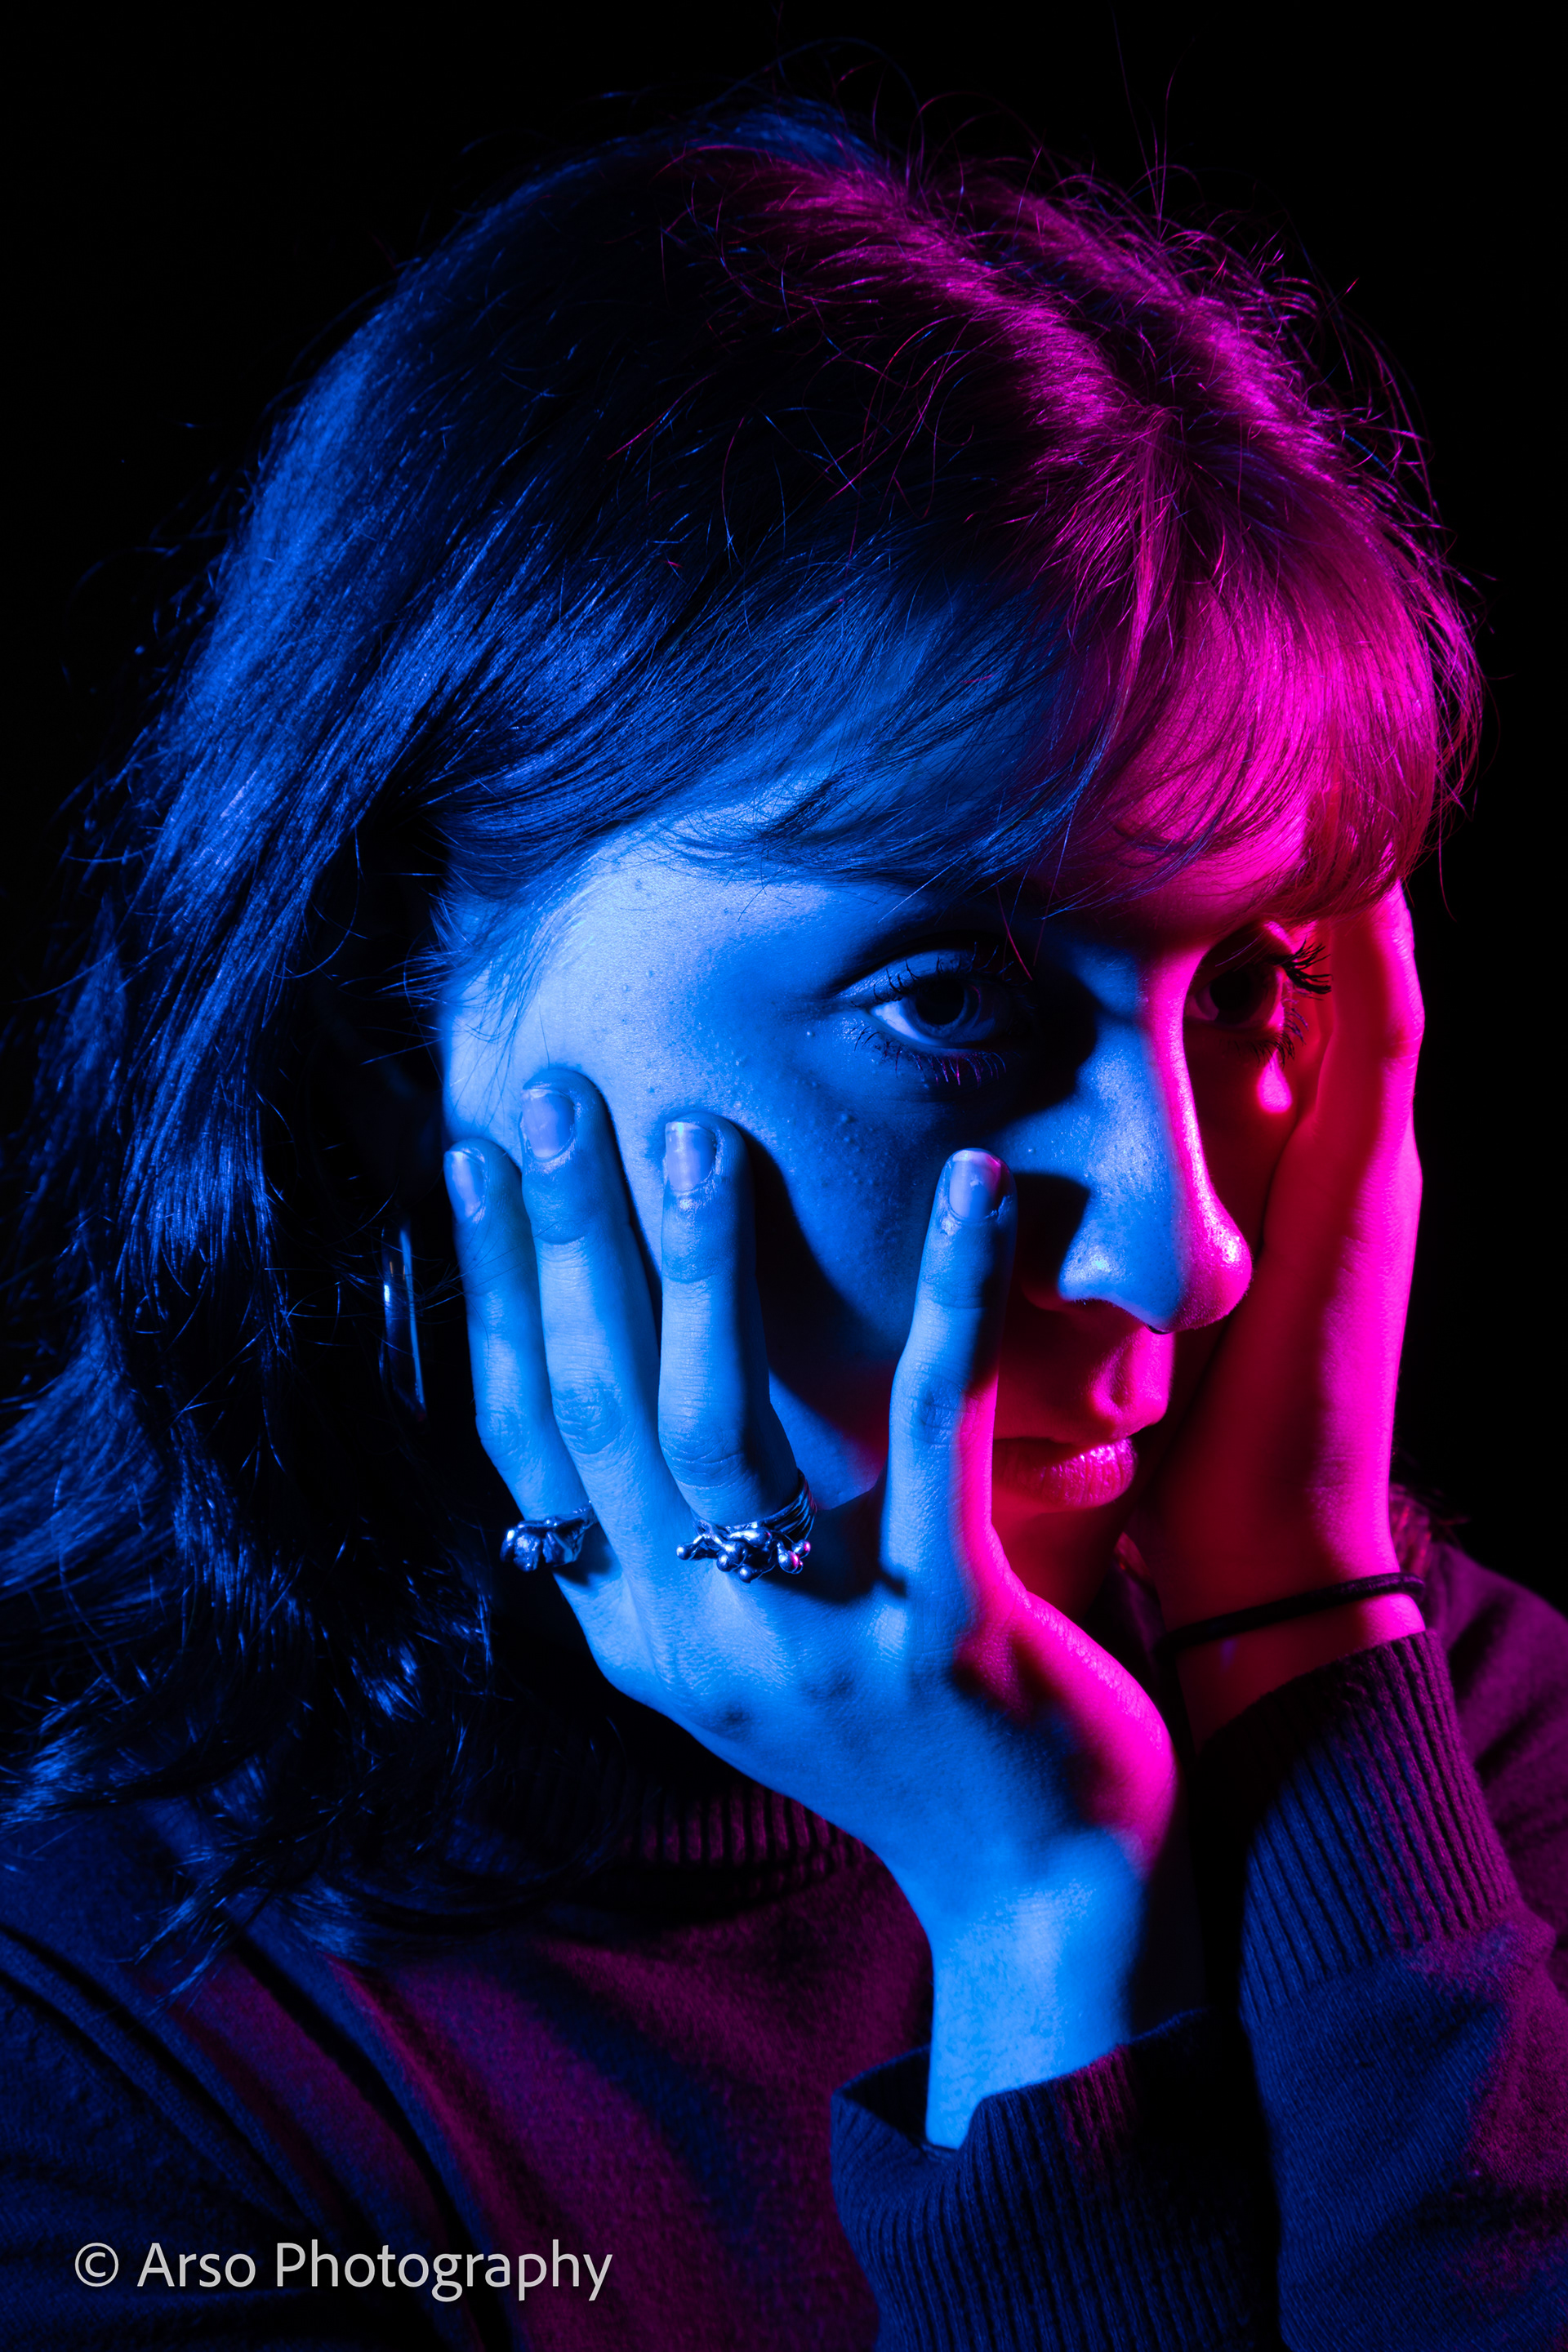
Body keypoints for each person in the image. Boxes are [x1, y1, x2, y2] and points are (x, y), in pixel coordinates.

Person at [2, 96, 1564, 2351]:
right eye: (954, 997)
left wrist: (1310, 1640)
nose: (1188, 1254)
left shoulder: (1434, 1740)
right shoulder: (93, 2050)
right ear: (383, 1008)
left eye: (1247, 983)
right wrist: (1044, 1934)